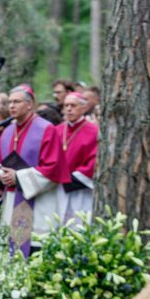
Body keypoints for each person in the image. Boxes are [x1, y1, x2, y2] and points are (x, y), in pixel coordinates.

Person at [0, 85, 70, 256]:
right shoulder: (8, 131)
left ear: (30, 104)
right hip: (11, 204)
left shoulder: (46, 129)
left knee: (36, 252)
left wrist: (17, 177)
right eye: (10, 102)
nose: (11, 106)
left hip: (39, 206)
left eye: (16, 102)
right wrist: (1, 177)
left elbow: (53, 168)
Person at [55, 92, 99, 222]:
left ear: (84, 108)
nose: (69, 109)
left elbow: (94, 161)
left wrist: (70, 179)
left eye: (73, 105)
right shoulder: (56, 130)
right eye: (66, 105)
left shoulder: (94, 131)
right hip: (56, 189)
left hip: (80, 190)